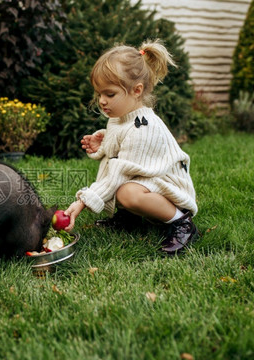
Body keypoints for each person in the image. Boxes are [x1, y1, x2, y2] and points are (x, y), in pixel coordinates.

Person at [63, 40, 199, 254]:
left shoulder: (143, 127)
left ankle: (181, 222)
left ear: (136, 90)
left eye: (110, 94)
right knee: (124, 186)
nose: (101, 101)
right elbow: (123, 148)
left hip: (170, 189)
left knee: (126, 191)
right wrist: (104, 142)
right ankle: (130, 218)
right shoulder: (123, 117)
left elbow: (119, 171)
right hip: (150, 180)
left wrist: (82, 202)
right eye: (99, 94)